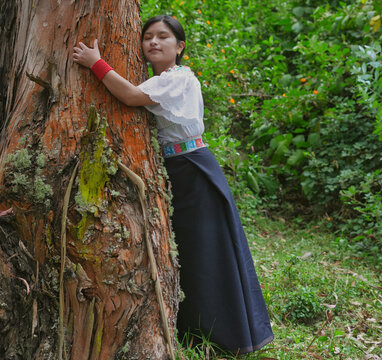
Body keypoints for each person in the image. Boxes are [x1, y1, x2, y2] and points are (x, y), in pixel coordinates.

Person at [72, 15, 274, 354]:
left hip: (194, 169)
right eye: (147, 36)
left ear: (179, 47)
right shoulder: (162, 79)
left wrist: (96, 63)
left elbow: (132, 96)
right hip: (181, 169)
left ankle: (230, 336)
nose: (153, 42)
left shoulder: (178, 78)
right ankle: (197, 331)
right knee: (191, 251)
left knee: (208, 250)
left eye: (163, 37)